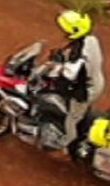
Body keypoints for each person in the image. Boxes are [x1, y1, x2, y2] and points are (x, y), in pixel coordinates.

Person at [44, 9, 105, 150]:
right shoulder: (90, 39)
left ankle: (68, 145)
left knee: (72, 119)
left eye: (67, 31)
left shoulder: (78, 55)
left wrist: (58, 69)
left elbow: (68, 76)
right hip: (95, 80)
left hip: (87, 91)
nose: (65, 33)